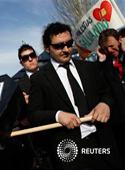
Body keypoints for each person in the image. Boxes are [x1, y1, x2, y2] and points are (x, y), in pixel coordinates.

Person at [28, 22, 122, 170]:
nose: (66, 49)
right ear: (47, 48)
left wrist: (105, 104)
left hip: (103, 145)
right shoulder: (39, 79)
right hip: (71, 153)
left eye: (69, 43)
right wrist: (57, 115)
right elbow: (34, 115)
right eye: (59, 46)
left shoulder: (90, 67)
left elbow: (108, 94)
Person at [97, 28, 125, 165]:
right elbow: (104, 86)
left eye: (112, 45)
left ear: (119, 40)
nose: (110, 50)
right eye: (106, 48)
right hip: (120, 121)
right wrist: (101, 61)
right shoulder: (106, 64)